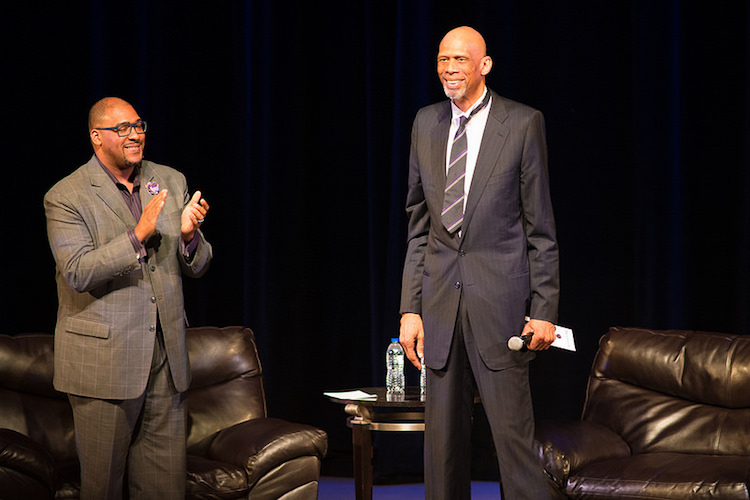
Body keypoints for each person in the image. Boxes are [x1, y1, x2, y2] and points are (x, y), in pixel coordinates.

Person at [399, 27, 560, 499]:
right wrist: (410, 308)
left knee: (514, 449)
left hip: (502, 308)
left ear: (484, 65)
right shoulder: (425, 123)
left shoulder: (523, 123)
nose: (449, 68)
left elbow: (541, 229)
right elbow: (418, 226)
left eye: (460, 60)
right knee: (442, 454)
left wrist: (545, 309)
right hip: (440, 310)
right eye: (442, 60)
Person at [44, 97, 213, 499]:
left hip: (165, 359)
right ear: (96, 136)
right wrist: (137, 237)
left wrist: (189, 237)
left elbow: (198, 265)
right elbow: (78, 271)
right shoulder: (67, 196)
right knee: (102, 487)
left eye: (138, 126)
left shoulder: (169, 180)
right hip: (105, 361)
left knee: (164, 488)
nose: (135, 135)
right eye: (123, 129)